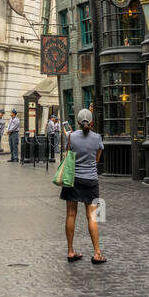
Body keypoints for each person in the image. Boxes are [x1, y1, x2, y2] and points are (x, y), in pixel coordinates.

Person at [60, 109, 106, 264]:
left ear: (78, 122)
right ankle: (97, 253)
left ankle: (71, 251)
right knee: (92, 217)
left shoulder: (71, 137)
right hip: (91, 180)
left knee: (71, 214)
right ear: (91, 122)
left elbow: (67, 156)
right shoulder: (97, 138)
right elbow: (97, 159)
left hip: (73, 179)